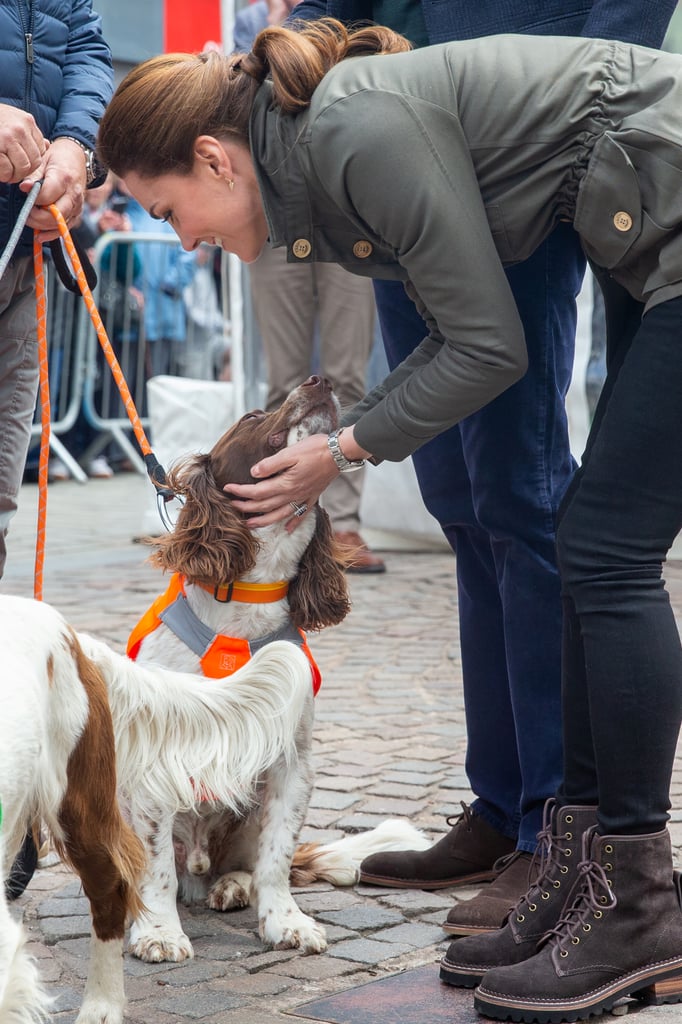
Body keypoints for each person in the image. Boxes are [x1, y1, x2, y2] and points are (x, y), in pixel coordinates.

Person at [98, 23, 682, 1017]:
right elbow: (458, 337)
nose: (183, 237)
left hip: (661, 211)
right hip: (647, 232)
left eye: (169, 209)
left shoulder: (353, 134)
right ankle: (590, 874)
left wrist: (342, 448)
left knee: (604, 548)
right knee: (592, 540)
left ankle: (636, 898)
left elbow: (490, 348)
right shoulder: (321, 162)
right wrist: (348, 438)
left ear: (211, 156)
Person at [279, 0, 678, 931]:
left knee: (528, 499)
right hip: (387, 145)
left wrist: (569, 97)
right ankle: (502, 806)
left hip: (519, 155)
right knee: (457, 497)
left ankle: (558, 829)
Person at [235, 0, 385, 573]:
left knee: (348, 374)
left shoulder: (339, 14)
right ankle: (282, 515)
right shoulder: (247, 25)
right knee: (285, 381)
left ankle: (343, 523)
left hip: (346, 208)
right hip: (273, 217)